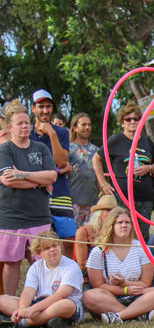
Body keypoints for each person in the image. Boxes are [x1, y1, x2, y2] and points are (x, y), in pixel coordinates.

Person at [0, 101, 57, 295]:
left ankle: (43, 299)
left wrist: (22, 174)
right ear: (10, 128)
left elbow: (52, 176)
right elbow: (8, 180)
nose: (24, 126)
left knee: (41, 260)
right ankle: (8, 303)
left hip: (38, 215)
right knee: (11, 261)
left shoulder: (41, 148)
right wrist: (37, 181)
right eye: (19, 123)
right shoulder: (4, 150)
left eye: (26, 122)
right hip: (11, 217)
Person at [83, 207, 154, 323]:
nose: (124, 226)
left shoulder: (141, 248)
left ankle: (119, 316)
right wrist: (124, 290)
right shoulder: (98, 251)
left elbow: (145, 283)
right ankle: (137, 314)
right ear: (111, 225)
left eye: (127, 223)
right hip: (111, 296)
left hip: (137, 295)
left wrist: (125, 284)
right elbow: (98, 285)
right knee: (89, 295)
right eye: (119, 223)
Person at [0, 231, 83, 328]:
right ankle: (48, 321)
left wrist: (32, 310)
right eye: (47, 248)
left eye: (55, 246)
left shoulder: (71, 266)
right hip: (39, 304)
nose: (52, 250)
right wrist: (22, 309)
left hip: (63, 303)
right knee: (3, 299)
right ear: (39, 253)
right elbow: (28, 291)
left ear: (60, 247)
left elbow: (60, 295)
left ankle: (26, 322)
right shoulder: (36, 266)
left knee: (65, 305)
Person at [106, 102, 154, 241]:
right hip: (123, 197)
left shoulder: (146, 141)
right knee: (122, 232)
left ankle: (141, 261)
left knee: (142, 235)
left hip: (145, 197)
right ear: (122, 122)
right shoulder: (115, 140)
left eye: (136, 119)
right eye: (128, 119)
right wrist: (103, 184)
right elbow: (96, 159)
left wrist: (148, 168)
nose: (132, 122)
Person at [29, 90, 75, 255]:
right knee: (38, 243)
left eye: (48, 106)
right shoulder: (26, 133)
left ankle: (68, 276)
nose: (45, 111)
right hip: (34, 194)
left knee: (69, 240)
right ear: (33, 108)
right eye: (41, 106)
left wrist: (52, 133)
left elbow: (62, 161)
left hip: (60, 192)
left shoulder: (61, 132)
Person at [68, 113, 102, 226]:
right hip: (72, 203)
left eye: (89, 125)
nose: (87, 127)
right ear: (74, 128)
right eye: (83, 125)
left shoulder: (96, 151)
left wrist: (103, 196)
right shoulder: (68, 149)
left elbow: (98, 177)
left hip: (92, 203)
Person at [74, 194, 118, 276]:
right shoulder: (83, 232)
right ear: (99, 213)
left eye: (113, 211)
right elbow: (82, 264)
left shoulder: (118, 233)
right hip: (88, 276)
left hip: (115, 274)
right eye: (107, 210)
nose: (111, 214)